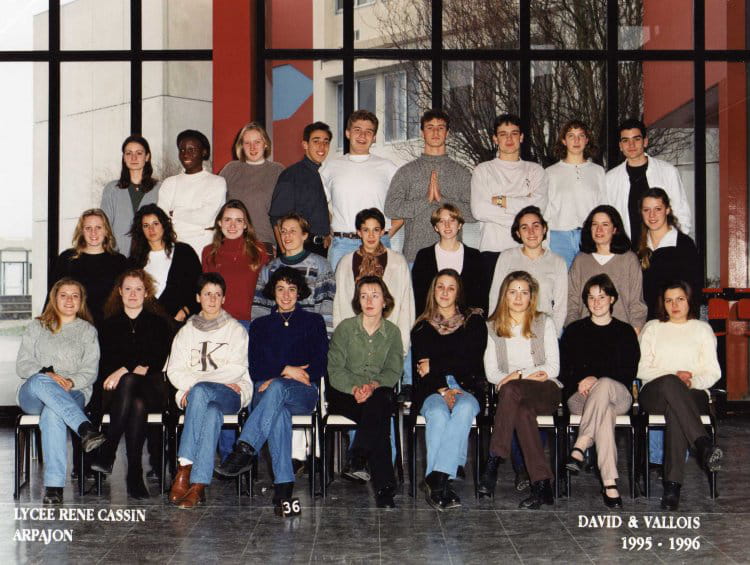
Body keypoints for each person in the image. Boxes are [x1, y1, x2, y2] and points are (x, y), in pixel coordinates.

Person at [215, 267, 328, 512]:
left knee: (276, 387)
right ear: (272, 292)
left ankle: (245, 448)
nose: (286, 295)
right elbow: (256, 367)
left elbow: (320, 364)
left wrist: (278, 376)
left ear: (299, 292)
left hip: (302, 391)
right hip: (266, 393)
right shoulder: (260, 325)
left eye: (291, 289)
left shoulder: (313, 322)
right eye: (280, 289)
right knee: (278, 412)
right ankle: (283, 488)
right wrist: (286, 369)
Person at [167, 273, 252, 509]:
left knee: (202, 392)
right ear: (198, 297)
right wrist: (201, 386)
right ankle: (199, 484)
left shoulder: (235, 330)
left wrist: (197, 385)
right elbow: (174, 371)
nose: (212, 299)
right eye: (207, 294)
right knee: (211, 411)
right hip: (198, 395)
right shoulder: (186, 332)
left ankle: (184, 468)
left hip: (231, 393)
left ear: (224, 299)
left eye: (217, 294)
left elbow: (236, 369)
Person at [16, 278, 105, 504]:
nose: (69, 300)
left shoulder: (88, 331)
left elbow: (90, 370)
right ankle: (84, 427)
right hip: (35, 392)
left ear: (81, 301)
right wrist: (48, 375)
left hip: (73, 390)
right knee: (40, 379)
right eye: (63, 295)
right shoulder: (37, 326)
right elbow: (23, 364)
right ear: (54, 298)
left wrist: (71, 381)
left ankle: (54, 487)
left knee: (53, 412)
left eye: (75, 295)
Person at [637, 280, 723, 511]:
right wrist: (674, 376)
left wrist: (692, 381)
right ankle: (702, 443)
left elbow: (713, 372)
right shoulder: (653, 328)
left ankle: (672, 488)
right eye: (669, 300)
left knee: (676, 410)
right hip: (655, 392)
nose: (674, 305)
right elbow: (641, 369)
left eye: (680, 299)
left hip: (693, 393)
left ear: (689, 301)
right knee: (671, 385)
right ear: (662, 304)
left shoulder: (702, 329)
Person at [479, 271, 561, 509]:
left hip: (545, 390)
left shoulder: (544, 322)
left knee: (511, 389)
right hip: (514, 396)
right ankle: (542, 485)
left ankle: (494, 460)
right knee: (522, 412)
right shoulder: (492, 326)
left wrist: (518, 375)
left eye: (524, 292)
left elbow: (553, 368)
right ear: (504, 296)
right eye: (512, 292)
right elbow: (492, 373)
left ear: (531, 297)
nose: (518, 297)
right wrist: (520, 377)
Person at [560, 274, 640, 509]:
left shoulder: (625, 331)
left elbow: (628, 371)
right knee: (604, 414)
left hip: (618, 394)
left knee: (604, 384)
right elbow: (564, 370)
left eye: (602, 297)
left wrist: (596, 379)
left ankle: (581, 443)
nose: (596, 302)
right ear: (586, 300)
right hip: (581, 398)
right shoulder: (574, 331)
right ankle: (609, 483)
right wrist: (580, 381)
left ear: (612, 299)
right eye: (591, 297)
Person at [91, 270, 173, 498]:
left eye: (138, 289)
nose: (133, 294)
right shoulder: (108, 325)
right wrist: (132, 368)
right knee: (136, 403)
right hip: (118, 393)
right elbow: (107, 362)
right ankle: (134, 474)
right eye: (128, 289)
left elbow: (156, 359)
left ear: (146, 293)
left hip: (152, 388)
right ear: (120, 292)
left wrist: (125, 369)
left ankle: (109, 450)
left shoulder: (158, 323)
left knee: (130, 381)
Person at [411, 269, 486, 510]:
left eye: (451, 288)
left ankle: (437, 477)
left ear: (458, 293)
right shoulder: (421, 327)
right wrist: (443, 389)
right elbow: (423, 371)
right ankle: (443, 484)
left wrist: (435, 364)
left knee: (464, 409)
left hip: (468, 387)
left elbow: (471, 360)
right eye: (440, 287)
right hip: (433, 388)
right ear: (433, 291)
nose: (444, 292)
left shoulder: (474, 321)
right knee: (437, 413)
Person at [327, 276, 403, 508]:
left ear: (385, 301)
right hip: (344, 394)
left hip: (376, 393)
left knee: (379, 402)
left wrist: (373, 385)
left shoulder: (393, 333)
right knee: (378, 417)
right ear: (358, 301)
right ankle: (384, 488)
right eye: (364, 296)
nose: (369, 301)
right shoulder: (345, 328)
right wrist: (354, 388)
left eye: (375, 296)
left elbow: (393, 370)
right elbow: (335, 369)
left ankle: (358, 456)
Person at [332, 208, 415, 388]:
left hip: (387, 342)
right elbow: (339, 305)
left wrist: (401, 346)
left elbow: (406, 306)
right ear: (358, 232)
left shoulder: (398, 262)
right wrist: (342, 341)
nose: (371, 235)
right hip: (354, 344)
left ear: (383, 231)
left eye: (376, 230)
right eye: (366, 230)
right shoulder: (345, 263)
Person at [470, 113, 548, 297]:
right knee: (495, 307)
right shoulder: (483, 170)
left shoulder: (535, 171)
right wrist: (524, 208)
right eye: (503, 134)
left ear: (521, 137)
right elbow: (479, 210)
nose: (509, 139)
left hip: (528, 250)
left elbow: (538, 209)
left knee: (530, 306)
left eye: (514, 133)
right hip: (493, 251)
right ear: (495, 139)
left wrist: (500, 200)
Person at [384, 108, 474, 264]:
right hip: (415, 257)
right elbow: (391, 208)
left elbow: (474, 214)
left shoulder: (462, 173)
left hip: (452, 258)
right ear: (422, 133)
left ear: (447, 133)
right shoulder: (406, 172)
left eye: (441, 128)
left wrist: (441, 199)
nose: (435, 132)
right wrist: (426, 200)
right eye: (430, 127)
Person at [320, 110, 401, 270]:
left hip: (378, 244)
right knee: (341, 287)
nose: (362, 136)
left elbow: (402, 208)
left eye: (368, 131)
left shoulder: (388, 168)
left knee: (380, 287)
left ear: (374, 137)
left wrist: (384, 235)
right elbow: (320, 205)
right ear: (348, 133)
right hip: (342, 246)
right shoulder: (330, 168)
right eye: (357, 130)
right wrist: (330, 229)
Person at [605, 118, 692, 246]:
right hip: (627, 251)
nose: (631, 145)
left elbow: (681, 213)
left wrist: (674, 246)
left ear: (645, 142)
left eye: (636, 139)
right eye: (625, 140)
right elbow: (608, 219)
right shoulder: (610, 179)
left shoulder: (668, 172)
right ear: (620, 146)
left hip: (663, 248)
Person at [565, 205, 647, 332]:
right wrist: (574, 332)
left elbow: (637, 303)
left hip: (621, 334)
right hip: (586, 333)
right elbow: (571, 302)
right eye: (595, 224)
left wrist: (633, 335)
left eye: (605, 224)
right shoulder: (580, 260)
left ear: (615, 229)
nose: (599, 229)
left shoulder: (629, 259)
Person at [488, 206, 567, 336]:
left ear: (544, 229)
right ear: (518, 233)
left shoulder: (558, 262)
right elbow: (495, 296)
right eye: (524, 227)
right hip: (510, 329)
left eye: (536, 226)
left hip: (543, 330)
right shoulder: (507, 257)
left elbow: (561, 307)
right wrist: (494, 332)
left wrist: (553, 336)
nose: (531, 232)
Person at [252, 213, 335, 327]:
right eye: (283, 231)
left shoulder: (321, 265)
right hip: (277, 331)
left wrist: (324, 335)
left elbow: (326, 308)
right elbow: (259, 309)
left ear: (304, 235)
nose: (287, 235)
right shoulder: (269, 268)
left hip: (308, 332)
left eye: (292, 231)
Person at [544, 120, 606, 268]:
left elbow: (604, 206)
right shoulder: (550, 173)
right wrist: (544, 241)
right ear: (564, 141)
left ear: (587, 140)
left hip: (590, 236)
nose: (576, 140)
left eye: (581, 136)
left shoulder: (598, 171)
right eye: (571, 136)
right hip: (559, 237)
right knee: (562, 280)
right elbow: (546, 210)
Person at [50, 208, 127, 326]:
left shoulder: (119, 261)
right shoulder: (67, 259)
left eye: (98, 227)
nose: (93, 232)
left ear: (106, 230)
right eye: (88, 228)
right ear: (81, 231)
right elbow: (53, 295)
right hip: (74, 326)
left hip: (110, 327)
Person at [129, 204, 202, 323]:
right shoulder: (134, 261)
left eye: (155, 223)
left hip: (179, 323)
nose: (151, 229)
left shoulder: (184, 252)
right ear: (141, 230)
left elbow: (200, 287)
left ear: (164, 225)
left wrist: (185, 311)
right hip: (146, 324)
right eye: (146, 225)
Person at [157, 129, 226, 256]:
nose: (185, 155)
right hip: (173, 248)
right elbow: (162, 219)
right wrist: (198, 227)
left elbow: (205, 217)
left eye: (191, 150)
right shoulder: (169, 183)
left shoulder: (217, 182)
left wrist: (175, 213)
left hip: (204, 248)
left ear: (204, 152)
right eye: (182, 150)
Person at [202, 199, 269, 330]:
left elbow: (266, 292)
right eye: (227, 220)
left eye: (238, 220)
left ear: (245, 225)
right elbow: (206, 293)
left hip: (250, 322)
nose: (232, 225)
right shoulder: (209, 252)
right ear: (220, 223)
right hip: (217, 322)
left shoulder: (259, 250)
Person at [269, 122, 333, 257]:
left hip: (322, 249)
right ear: (305, 145)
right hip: (297, 248)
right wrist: (286, 254)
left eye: (326, 142)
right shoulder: (291, 175)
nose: (322, 146)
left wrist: (326, 235)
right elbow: (277, 219)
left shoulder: (325, 174)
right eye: (316, 141)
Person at [637, 187, 702, 320]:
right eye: (646, 210)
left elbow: (694, 290)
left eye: (658, 209)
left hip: (677, 322)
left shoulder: (684, 245)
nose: (652, 215)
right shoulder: (636, 247)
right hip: (646, 323)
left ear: (667, 210)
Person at [220, 122, 284, 255]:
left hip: (265, 243)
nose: (252, 147)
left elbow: (285, 214)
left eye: (257, 142)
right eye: (247, 143)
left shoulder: (278, 171)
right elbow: (218, 207)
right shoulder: (230, 169)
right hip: (233, 241)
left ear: (265, 144)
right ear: (241, 146)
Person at [411, 204, 483, 316]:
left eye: (452, 220)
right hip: (431, 320)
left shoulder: (474, 256)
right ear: (436, 227)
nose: (447, 225)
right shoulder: (424, 256)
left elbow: (480, 297)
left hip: (467, 322)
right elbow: (418, 296)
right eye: (441, 221)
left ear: (459, 225)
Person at [101, 135, 160, 256]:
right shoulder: (112, 189)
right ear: (124, 158)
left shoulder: (160, 189)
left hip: (151, 255)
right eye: (128, 153)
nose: (134, 157)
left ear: (147, 157)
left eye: (139, 153)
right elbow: (105, 225)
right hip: (118, 256)